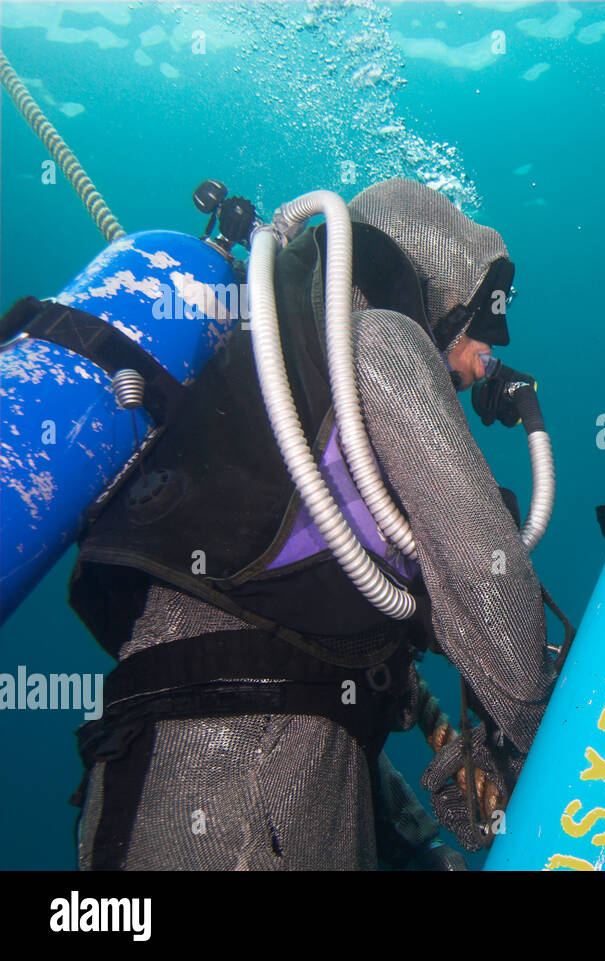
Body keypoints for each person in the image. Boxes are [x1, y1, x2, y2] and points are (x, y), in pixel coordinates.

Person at [68, 177, 556, 870]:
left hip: (163, 772)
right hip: (242, 790)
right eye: (480, 317)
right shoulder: (383, 339)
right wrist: (553, 736)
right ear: (434, 285)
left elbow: (303, 667)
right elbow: (484, 568)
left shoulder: (278, 377)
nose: (488, 356)